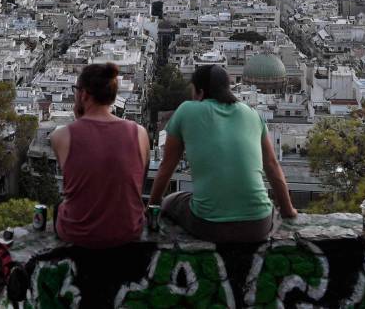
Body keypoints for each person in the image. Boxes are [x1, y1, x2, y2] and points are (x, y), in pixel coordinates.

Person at [149, 64, 297, 243]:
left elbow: (167, 166)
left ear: (201, 92)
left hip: (209, 226)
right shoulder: (252, 114)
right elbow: (272, 166)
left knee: (171, 200)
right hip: (259, 225)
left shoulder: (187, 110)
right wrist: (288, 211)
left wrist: (152, 205)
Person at [50, 62, 150, 248]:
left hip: (77, 234)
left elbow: (78, 183)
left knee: (58, 207)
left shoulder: (61, 136)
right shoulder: (139, 133)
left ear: (84, 94)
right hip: (129, 231)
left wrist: (79, 118)